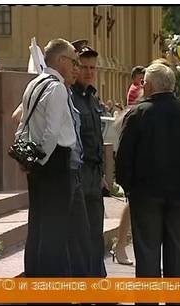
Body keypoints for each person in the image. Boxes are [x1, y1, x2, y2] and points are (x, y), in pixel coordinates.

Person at [115, 63, 180, 279]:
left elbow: (123, 157)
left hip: (145, 194)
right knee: (177, 251)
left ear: (148, 86)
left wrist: (127, 186)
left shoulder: (138, 113)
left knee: (147, 253)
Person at [15, 38, 78, 276]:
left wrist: (27, 161)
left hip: (37, 159)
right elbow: (52, 132)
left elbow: (23, 124)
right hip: (53, 161)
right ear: (60, 60)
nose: (76, 67)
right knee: (55, 230)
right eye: (73, 60)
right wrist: (40, 162)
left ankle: (34, 282)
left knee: (38, 225)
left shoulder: (34, 84)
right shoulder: (57, 87)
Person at [70, 43, 107, 277]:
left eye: (92, 67)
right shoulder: (68, 96)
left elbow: (97, 141)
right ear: (75, 67)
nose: (89, 72)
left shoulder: (92, 98)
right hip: (78, 174)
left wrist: (103, 174)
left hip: (94, 175)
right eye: (84, 67)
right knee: (80, 234)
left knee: (96, 232)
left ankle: (98, 280)